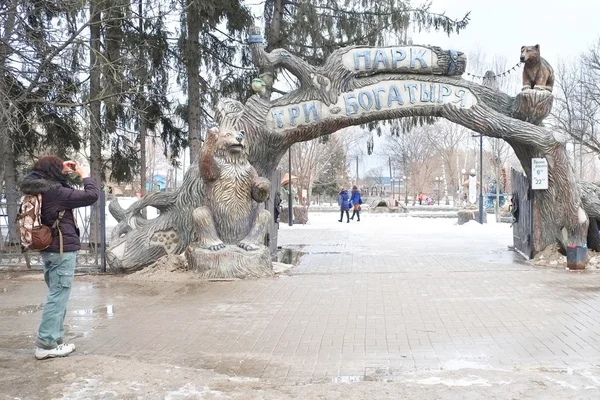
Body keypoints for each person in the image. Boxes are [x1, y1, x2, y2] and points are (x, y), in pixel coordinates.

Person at [19, 156, 100, 360]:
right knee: (57, 297)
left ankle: (55, 340)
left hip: (50, 250)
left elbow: (40, 172)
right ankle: (46, 343)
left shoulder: (39, 187)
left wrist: (59, 171)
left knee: (57, 296)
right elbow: (91, 195)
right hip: (61, 250)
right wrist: (85, 175)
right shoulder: (55, 192)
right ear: (53, 172)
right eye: (59, 167)